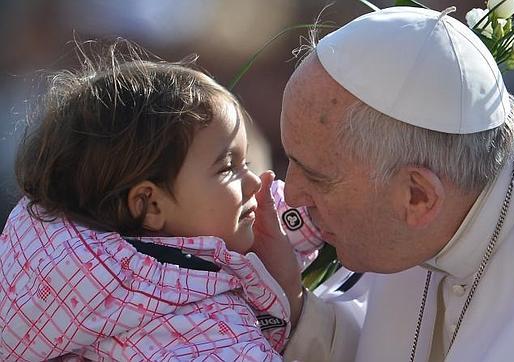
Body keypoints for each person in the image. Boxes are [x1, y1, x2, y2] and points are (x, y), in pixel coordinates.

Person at [275, 6, 514, 362]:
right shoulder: (443, 183)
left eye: (317, 178)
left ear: (418, 197)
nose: (291, 194)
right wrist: (286, 303)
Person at [0, 40, 324, 361]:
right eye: (228, 167)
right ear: (149, 204)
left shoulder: (63, 257)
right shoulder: (189, 323)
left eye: (246, 164)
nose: (254, 182)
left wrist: (313, 207)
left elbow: (278, 215)